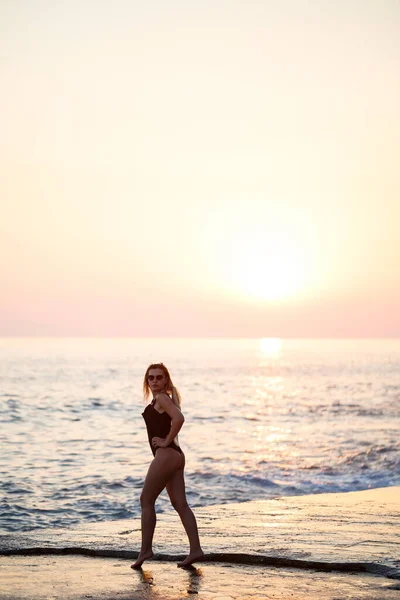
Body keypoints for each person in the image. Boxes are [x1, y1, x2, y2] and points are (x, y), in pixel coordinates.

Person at [131, 363, 205, 569]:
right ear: (147, 381)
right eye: (150, 378)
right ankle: (195, 550)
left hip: (166, 455)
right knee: (180, 504)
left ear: (166, 380)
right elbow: (175, 418)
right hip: (176, 456)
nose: (154, 381)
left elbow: (179, 419)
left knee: (146, 499)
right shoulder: (164, 399)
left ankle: (145, 549)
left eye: (159, 377)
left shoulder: (162, 398)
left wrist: (164, 441)